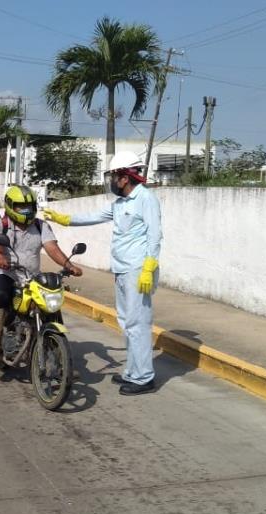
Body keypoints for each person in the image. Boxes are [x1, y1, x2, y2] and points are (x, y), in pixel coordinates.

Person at [43, 151, 162, 396]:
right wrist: (63, 219)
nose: (111, 182)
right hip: (121, 269)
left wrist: (149, 267)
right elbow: (93, 217)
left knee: (138, 324)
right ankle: (133, 371)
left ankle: (144, 378)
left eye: (114, 176)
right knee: (126, 323)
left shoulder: (146, 199)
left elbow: (155, 235)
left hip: (139, 270)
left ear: (125, 177)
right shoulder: (120, 204)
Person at [0, 185, 83, 363]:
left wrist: (69, 265)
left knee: (51, 308)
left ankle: (61, 360)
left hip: (31, 277)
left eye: (29, 206)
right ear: (10, 206)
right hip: (7, 273)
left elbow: (52, 248)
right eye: (21, 207)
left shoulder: (40, 225)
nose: (26, 211)